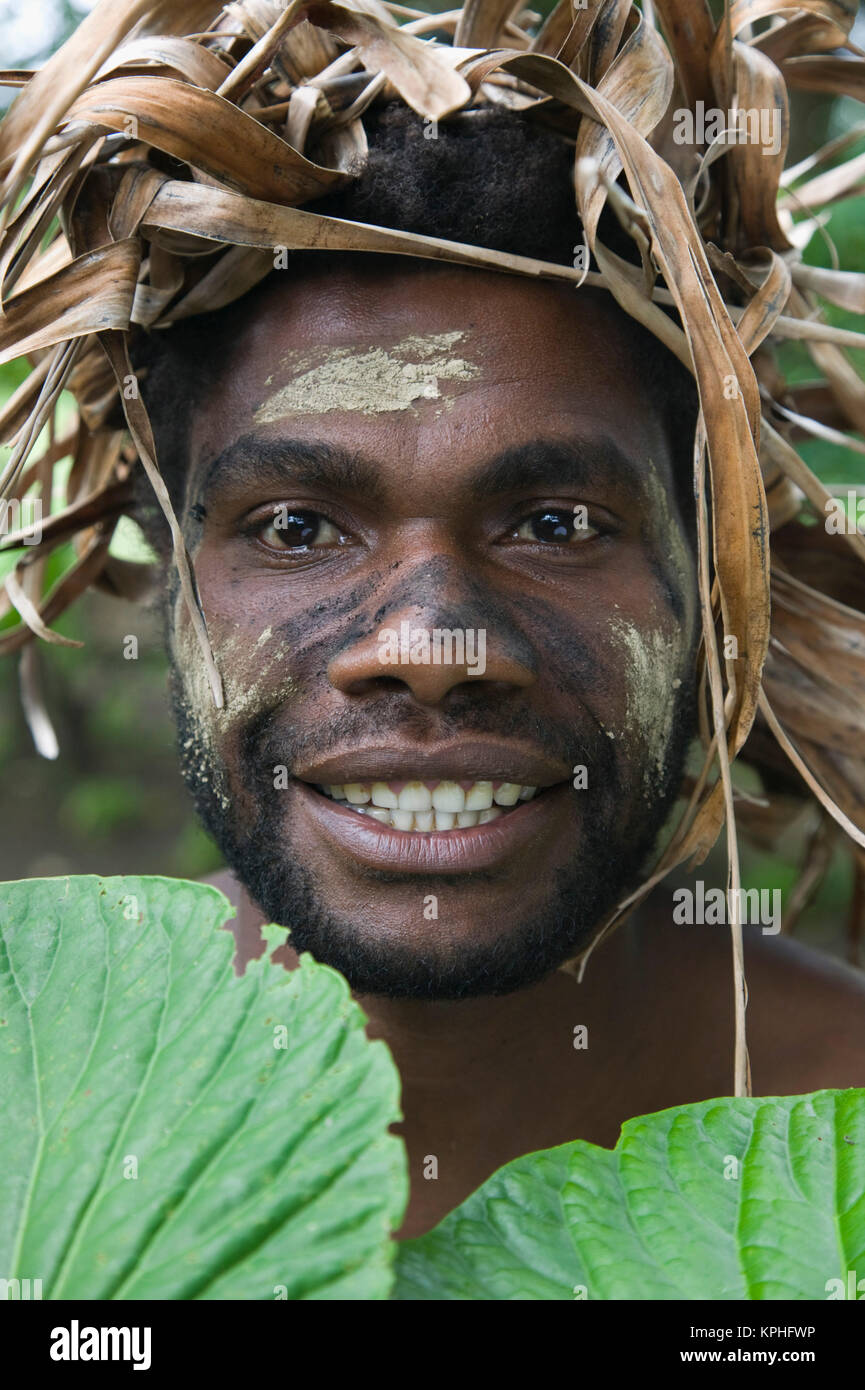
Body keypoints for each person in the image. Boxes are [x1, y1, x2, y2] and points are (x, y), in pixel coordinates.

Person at [1, 1, 863, 1238]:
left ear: (716, 567)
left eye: (556, 523)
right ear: (177, 575)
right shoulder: (22, 1125)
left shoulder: (844, 1134)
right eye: (297, 528)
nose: (426, 646)